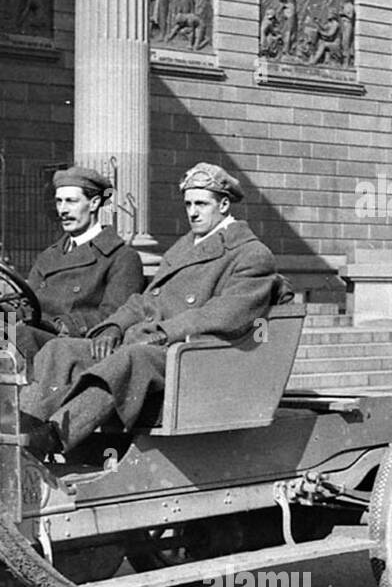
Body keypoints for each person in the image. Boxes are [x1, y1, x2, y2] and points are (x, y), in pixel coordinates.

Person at [19, 162, 287, 456]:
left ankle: (52, 438)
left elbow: (225, 314)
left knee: (134, 358)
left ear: (224, 205)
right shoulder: (185, 247)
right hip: (158, 346)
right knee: (62, 350)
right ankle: (22, 428)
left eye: (201, 204)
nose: (193, 212)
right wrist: (113, 326)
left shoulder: (251, 254)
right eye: (188, 204)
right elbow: (146, 301)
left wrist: (163, 332)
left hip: (195, 355)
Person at [0, 165, 144, 360]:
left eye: (71, 202)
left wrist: (61, 324)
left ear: (94, 203)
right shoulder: (49, 256)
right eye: (59, 202)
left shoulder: (121, 257)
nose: (63, 210)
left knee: (15, 337)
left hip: (73, 347)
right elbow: (26, 305)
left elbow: (114, 316)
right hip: (35, 337)